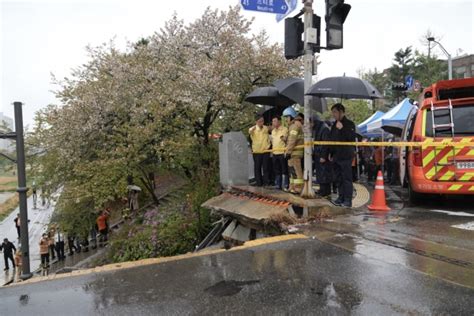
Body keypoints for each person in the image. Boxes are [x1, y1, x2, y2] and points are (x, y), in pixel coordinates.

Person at [329, 103, 356, 208]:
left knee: (346, 178)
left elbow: (351, 138)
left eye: (335, 112)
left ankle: (348, 200)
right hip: (336, 156)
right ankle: (340, 197)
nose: (334, 114)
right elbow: (331, 140)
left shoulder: (349, 124)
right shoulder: (334, 125)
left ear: (341, 112)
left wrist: (342, 129)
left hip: (346, 156)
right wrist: (330, 153)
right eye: (333, 112)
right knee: (338, 178)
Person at [283, 107, 304, 194]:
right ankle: (292, 188)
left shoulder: (295, 126)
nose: (286, 120)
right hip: (293, 153)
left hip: (295, 152)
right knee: (292, 171)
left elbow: (292, 140)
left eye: (287, 117)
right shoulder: (293, 125)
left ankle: (298, 189)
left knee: (296, 171)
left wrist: (287, 152)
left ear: (291, 117)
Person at [312, 116, 332, 198]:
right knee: (320, 173)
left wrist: (323, 156)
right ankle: (322, 189)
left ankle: (325, 191)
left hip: (322, 154)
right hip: (318, 153)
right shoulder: (319, 128)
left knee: (324, 174)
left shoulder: (324, 129)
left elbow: (325, 144)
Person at [249, 115, 271, 186]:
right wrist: (254, 127)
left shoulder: (265, 128)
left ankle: (266, 183)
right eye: (260, 121)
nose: (262, 122)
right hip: (257, 152)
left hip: (265, 151)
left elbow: (270, 131)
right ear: (256, 122)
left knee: (266, 167)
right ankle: (259, 183)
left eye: (263, 121)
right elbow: (250, 131)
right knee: (257, 167)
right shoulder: (252, 129)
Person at [270, 116, 288, 190]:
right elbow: (272, 142)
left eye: (275, 121)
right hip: (275, 153)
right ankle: (278, 184)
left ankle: (285, 185)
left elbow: (285, 139)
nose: (273, 123)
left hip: (282, 153)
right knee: (277, 170)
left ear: (279, 121)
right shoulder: (273, 131)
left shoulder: (284, 129)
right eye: (273, 121)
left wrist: (283, 138)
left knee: (284, 169)